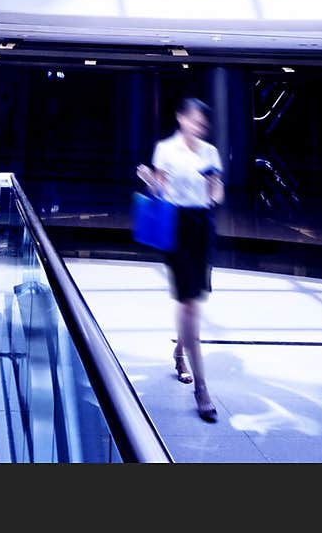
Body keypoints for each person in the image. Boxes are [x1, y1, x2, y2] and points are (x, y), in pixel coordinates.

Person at [137, 96, 223, 422]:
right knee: (190, 305)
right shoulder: (165, 149)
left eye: (203, 123)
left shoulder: (210, 153)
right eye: (194, 120)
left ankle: (178, 352)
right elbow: (159, 192)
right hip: (176, 227)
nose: (199, 126)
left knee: (194, 299)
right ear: (181, 119)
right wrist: (149, 182)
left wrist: (213, 191)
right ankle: (201, 388)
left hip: (202, 227)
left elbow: (218, 193)